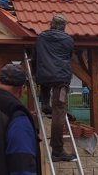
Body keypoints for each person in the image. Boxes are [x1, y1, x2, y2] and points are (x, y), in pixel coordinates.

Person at [31, 14, 76, 162]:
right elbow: (68, 57)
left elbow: (35, 58)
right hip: (61, 80)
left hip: (43, 77)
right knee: (59, 111)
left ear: (51, 24)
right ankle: (57, 150)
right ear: (63, 26)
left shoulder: (41, 38)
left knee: (44, 83)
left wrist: (34, 73)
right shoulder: (69, 40)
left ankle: (45, 104)